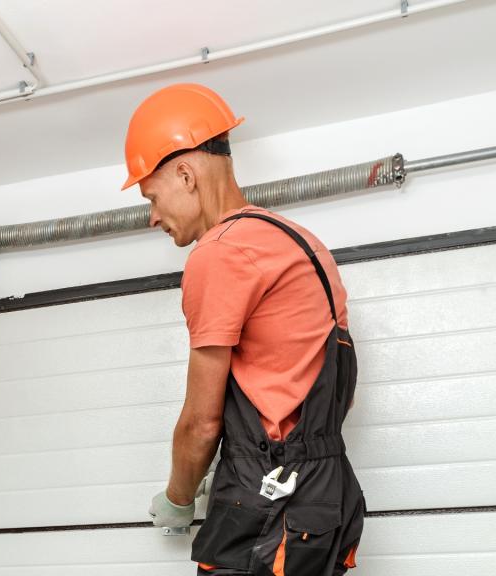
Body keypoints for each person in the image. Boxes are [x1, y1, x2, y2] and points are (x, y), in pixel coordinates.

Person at [129, 84, 364, 575]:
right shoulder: (297, 240)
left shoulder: (220, 254)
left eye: (152, 196)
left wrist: (178, 497)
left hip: (270, 503)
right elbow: (304, 380)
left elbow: (201, 422)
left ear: (186, 174)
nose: (153, 217)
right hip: (323, 496)